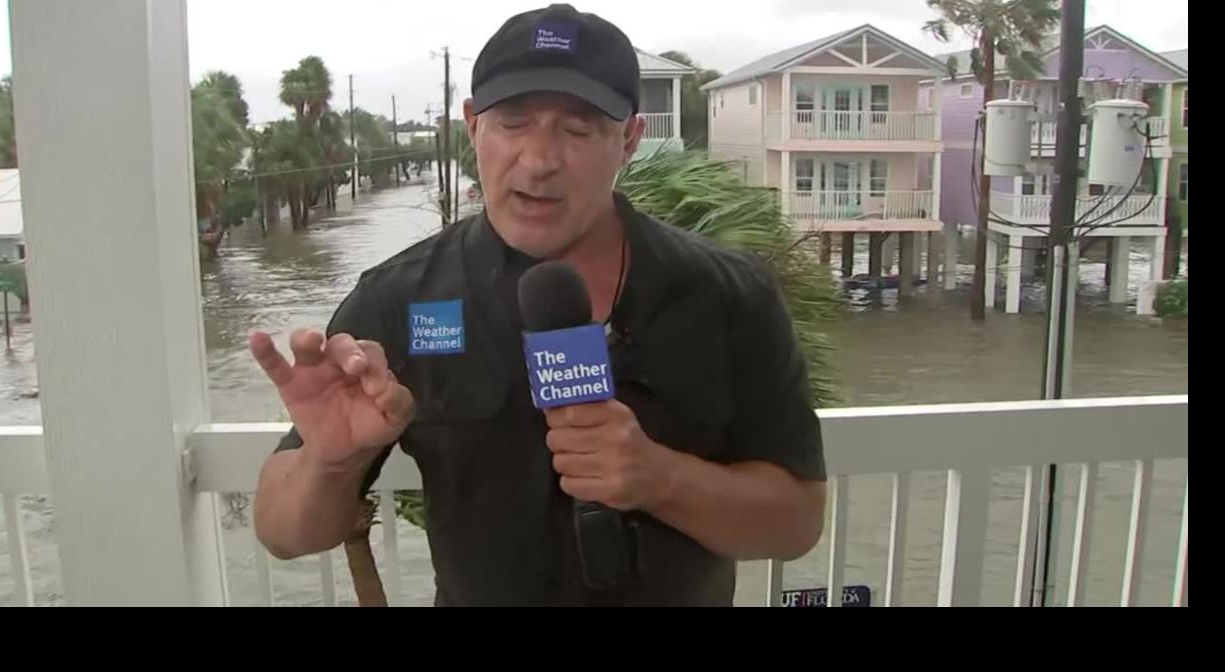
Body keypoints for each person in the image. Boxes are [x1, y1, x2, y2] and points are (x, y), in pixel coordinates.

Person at [249, 3, 826, 607]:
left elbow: (796, 522)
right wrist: (335, 462)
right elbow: (283, 532)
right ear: (472, 126)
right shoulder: (401, 298)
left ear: (630, 138)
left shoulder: (729, 293)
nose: (539, 160)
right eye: (513, 123)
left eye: (578, 130)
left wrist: (660, 477)